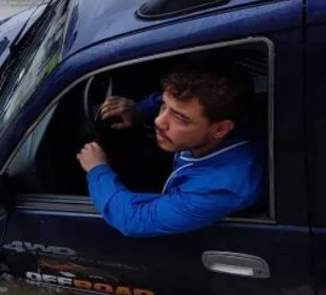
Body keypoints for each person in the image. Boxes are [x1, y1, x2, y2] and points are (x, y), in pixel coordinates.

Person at [75, 66, 265, 237]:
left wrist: (97, 169)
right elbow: (168, 98)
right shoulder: (216, 116)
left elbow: (135, 219)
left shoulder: (219, 187)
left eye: (180, 118)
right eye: (164, 107)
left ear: (220, 129)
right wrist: (138, 110)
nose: (159, 121)